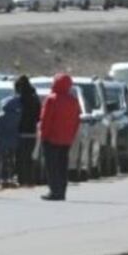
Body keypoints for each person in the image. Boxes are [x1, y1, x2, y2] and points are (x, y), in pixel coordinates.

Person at [38, 73, 80, 201]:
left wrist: (43, 135)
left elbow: (45, 120)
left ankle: (54, 190)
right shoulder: (73, 101)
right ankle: (61, 190)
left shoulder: (51, 99)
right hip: (66, 139)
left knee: (52, 166)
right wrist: (71, 135)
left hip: (51, 138)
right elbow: (76, 121)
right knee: (62, 165)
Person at [15, 75, 41, 186]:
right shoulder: (35, 98)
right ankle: (30, 179)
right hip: (32, 131)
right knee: (30, 157)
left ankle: (22, 179)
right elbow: (39, 116)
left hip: (20, 131)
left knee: (21, 157)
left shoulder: (19, 100)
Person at [0, 87, 22, 187]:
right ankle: (11, 177)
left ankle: (3, 178)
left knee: (3, 161)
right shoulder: (18, 117)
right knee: (12, 161)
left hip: (3, 143)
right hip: (14, 142)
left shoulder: (2, 117)